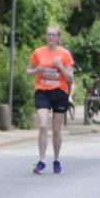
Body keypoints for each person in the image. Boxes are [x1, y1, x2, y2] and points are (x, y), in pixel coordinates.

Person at [26, 26, 74, 174]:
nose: (51, 37)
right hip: (42, 92)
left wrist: (60, 66)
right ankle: (41, 161)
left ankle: (56, 159)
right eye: (49, 34)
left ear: (58, 38)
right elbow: (28, 71)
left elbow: (70, 78)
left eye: (54, 35)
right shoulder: (38, 52)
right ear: (46, 37)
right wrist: (36, 71)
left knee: (56, 130)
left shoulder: (64, 54)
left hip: (60, 92)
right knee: (42, 125)